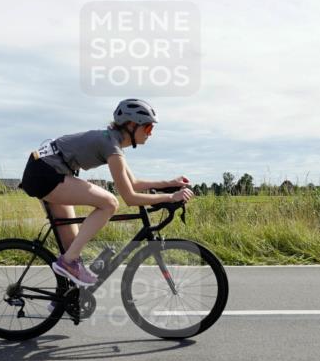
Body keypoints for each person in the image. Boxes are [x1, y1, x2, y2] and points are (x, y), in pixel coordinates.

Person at [18, 99, 194, 287]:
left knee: (73, 245)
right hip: (45, 173)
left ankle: (65, 299)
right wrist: (170, 197)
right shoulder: (111, 145)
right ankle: (67, 263)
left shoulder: (112, 141)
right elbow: (129, 198)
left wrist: (170, 183)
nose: (151, 133)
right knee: (110, 203)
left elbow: (133, 184)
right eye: (149, 128)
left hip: (46, 170)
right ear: (132, 125)